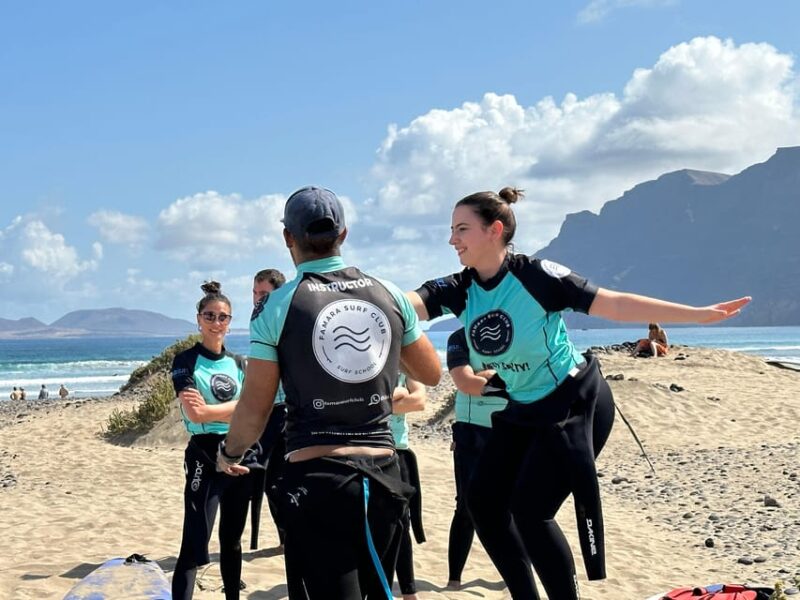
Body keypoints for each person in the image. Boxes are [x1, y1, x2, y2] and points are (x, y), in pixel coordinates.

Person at [407, 187, 750, 600]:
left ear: (494, 230)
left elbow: (616, 304)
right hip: (524, 407)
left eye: (461, 229)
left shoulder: (536, 276)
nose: (452, 239)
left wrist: (698, 315)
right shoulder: (461, 288)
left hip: (574, 401)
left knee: (530, 512)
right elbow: (409, 305)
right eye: (452, 230)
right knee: (482, 503)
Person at [216, 186, 441, 599]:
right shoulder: (387, 293)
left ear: (289, 238)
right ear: (344, 234)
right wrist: (383, 336)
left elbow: (256, 407)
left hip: (317, 480)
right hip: (384, 475)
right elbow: (430, 371)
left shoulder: (277, 307)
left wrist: (229, 453)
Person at [171, 281, 254, 600]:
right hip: (204, 455)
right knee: (194, 541)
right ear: (198, 319)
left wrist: (215, 410)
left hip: (238, 451)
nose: (216, 322)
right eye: (210, 315)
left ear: (230, 322)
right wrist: (236, 408)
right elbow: (196, 415)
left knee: (232, 541)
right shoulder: (185, 361)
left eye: (223, 317)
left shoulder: (237, 363)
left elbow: (251, 411)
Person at [445, 327, 509, 591]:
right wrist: (502, 380)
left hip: (510, 426)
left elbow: (527, 381)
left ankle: (514, 575)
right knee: (466, 508)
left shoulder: (516, 334)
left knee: (512, 507)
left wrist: (487, 379)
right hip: (470, 431)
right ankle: (453, 581)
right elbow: (466, 384)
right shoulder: (459, 338)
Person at [249, 268, 289, 551]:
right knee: (268, 481)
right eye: (255, 293)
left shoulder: (287, 321)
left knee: (283, 480)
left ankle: (290, 536)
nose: (258, 299)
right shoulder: (259, 321)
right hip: (265, 412)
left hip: (287, 411)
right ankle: (284, 537)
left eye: (264, 294)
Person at [390, 374, 427, 600]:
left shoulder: (404, 363)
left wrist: (381, 401)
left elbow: (419, 401)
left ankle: (409, 592)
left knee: (402, 526)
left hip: (398, 451)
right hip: (362, 450)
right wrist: (399, 394)